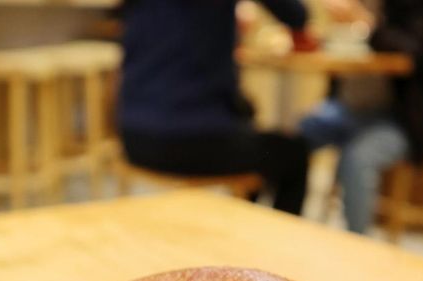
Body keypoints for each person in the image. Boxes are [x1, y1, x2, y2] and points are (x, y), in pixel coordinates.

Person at [118, 0, 314, 215]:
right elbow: (294, 13)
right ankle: (263, 231)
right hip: (191, 140)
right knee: (294, 153)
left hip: (133, 137)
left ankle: (242, 221)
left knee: (250, 122)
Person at [300, 0, 423, 234]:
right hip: (348, 109)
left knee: (357, 158)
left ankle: (357, 245)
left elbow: (415, 54)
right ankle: (280, 228)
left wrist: (365, 22)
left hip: (403, 120)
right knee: (296, 137)